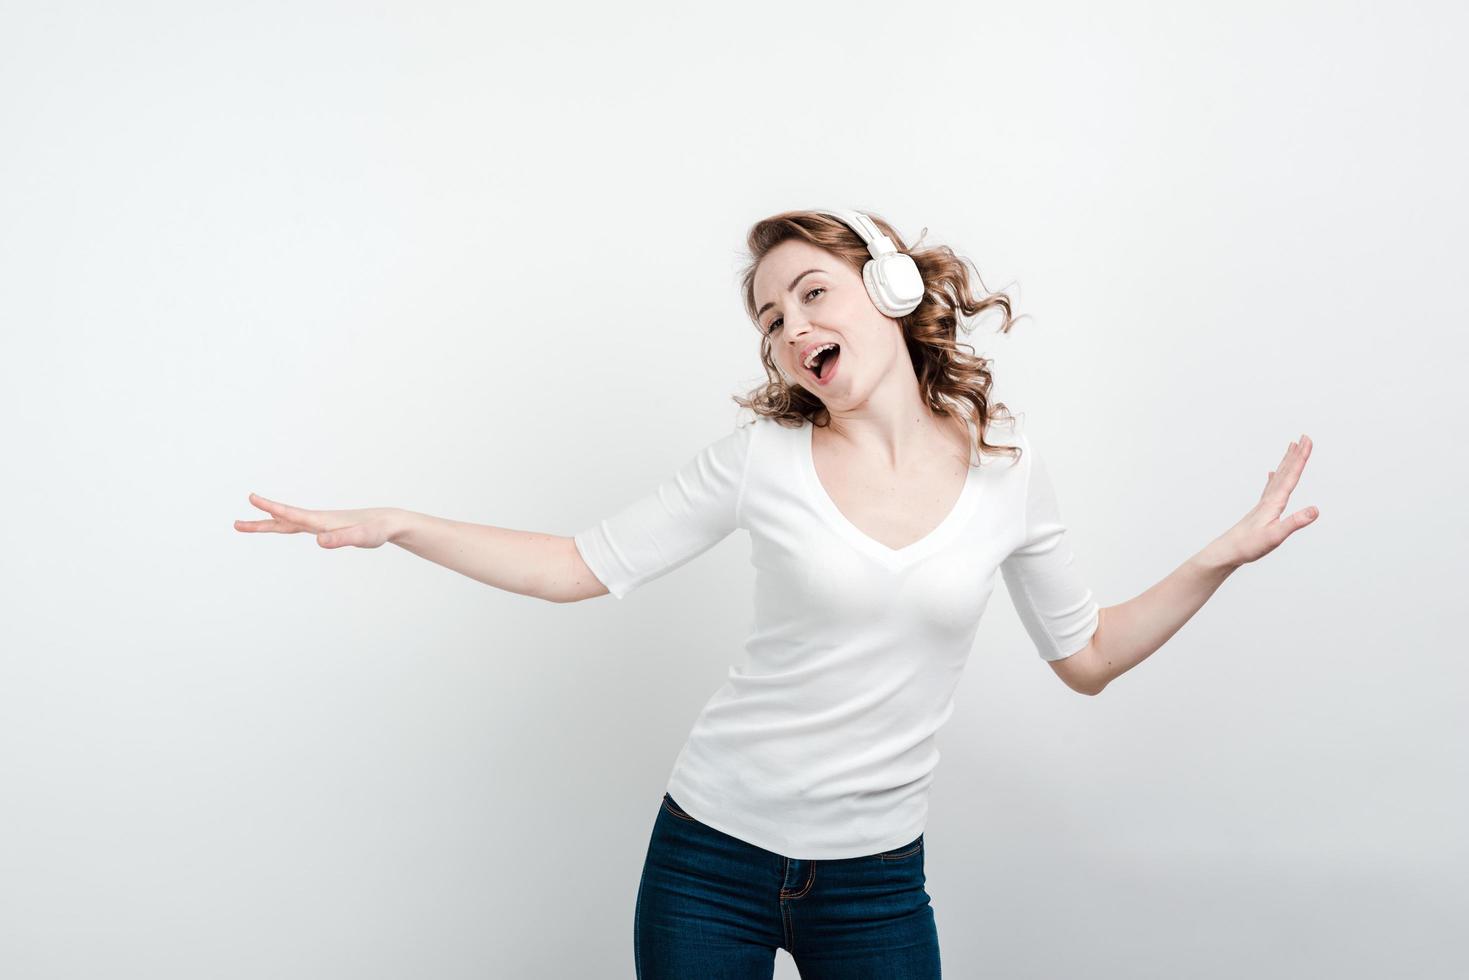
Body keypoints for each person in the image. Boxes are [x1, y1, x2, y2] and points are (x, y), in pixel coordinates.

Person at [234, 208, 1318, 978]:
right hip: (708, 855)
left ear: (888, 292)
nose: (789, 327)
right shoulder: (760, 458)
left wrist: (1213, 558)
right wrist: (400, 523)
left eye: (810, 293)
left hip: (877, 882)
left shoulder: (1006, 468)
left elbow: (1083, 657)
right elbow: (577, 565)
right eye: (766, 317)